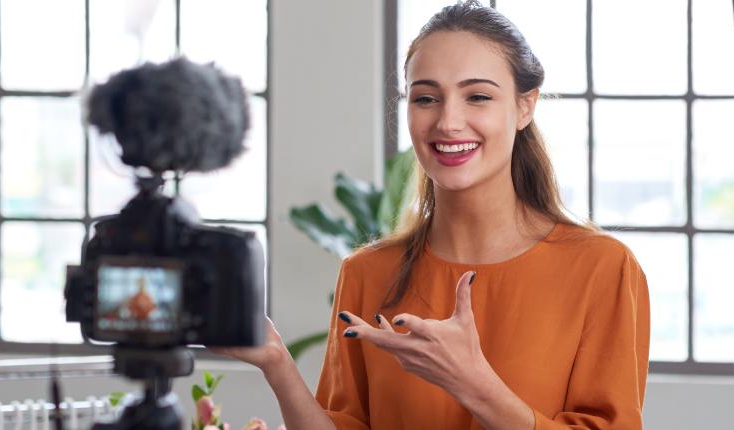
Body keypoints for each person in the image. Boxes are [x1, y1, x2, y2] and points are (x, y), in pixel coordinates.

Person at [215, 1, 650, 429]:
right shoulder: (366, 273)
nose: (448, 121)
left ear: (524, 106)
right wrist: (277, 365)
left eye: (477, 96)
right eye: (426, 98)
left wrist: (475, 386)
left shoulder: (602, 269)